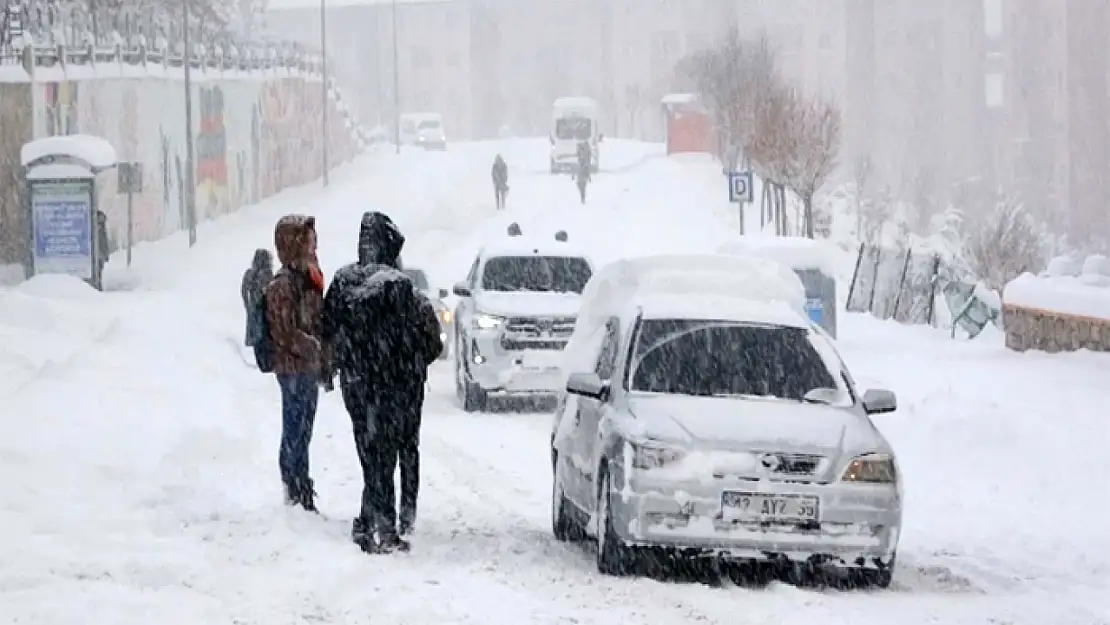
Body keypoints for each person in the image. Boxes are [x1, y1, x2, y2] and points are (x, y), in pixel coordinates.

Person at [322, 211, 442, 554]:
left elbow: (328, 327)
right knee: (387, 453)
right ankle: (385, 526)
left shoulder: (344, 280)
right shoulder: (401, 288)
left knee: (368, 451)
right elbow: (417, 341)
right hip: (390, 383)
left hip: (356, 381)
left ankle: (367, 521)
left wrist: (339, 364)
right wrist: (409, 367)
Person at [265, 215, 330, 512]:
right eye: (307, 240)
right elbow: (284, 332)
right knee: (295, 429)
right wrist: (312, 346)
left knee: (304, 429)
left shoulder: (308, 278)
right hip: (292, 368)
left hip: (306, 368)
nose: (313, 246)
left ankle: (301, 483)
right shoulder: (283, 284)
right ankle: (295, 486)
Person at [241, 248, 274, 347]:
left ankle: (252, 342)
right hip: (261, 307)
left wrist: (248, 303)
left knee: (253, 326)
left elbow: (244, 290)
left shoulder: (250, 273)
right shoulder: (268, 275)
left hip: (254, 305)